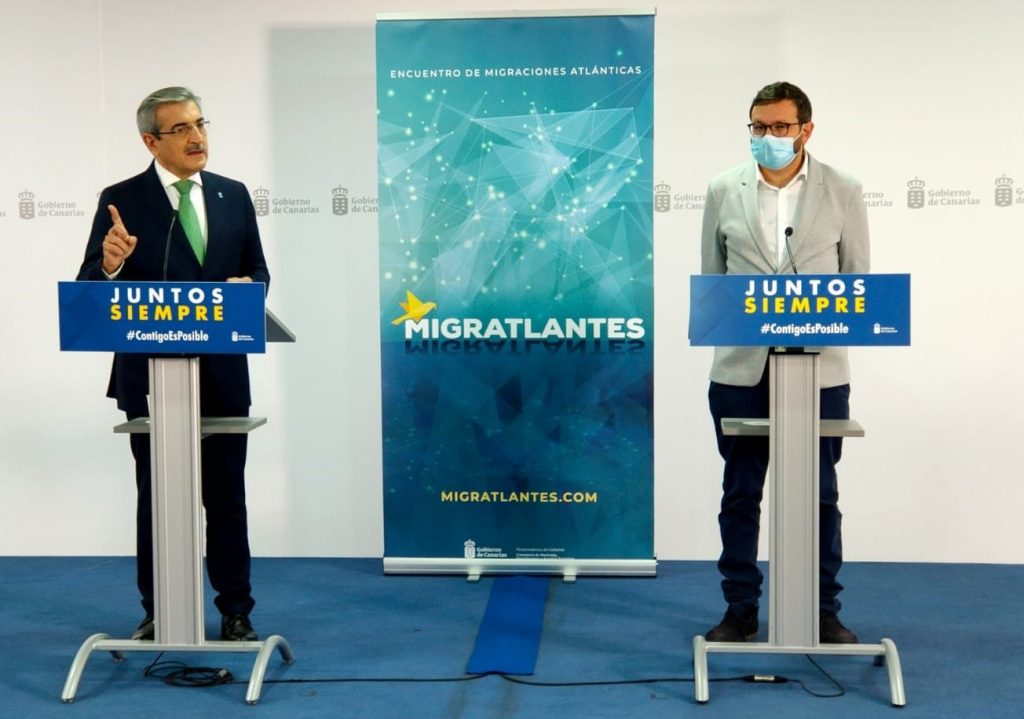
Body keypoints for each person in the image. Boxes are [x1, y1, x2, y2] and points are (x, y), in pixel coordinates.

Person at [77, 87, 269, 642]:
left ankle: (235, 610)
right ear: (150, 141)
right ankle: (159, 609)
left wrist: (248, 288)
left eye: (200, 124)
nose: (196, 137)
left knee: (226, 498)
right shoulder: (121, 199)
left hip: (222, 372)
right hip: (151, 377)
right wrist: (110, 265)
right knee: (157, 499)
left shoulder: (233, 194)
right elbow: (91, 286)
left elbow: (258, 271)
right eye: (181, 128)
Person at [699, 81, 869, 643]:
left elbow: (858, 284)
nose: (767, 136)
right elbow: (713, 280)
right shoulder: (723, 189)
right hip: (742, 369)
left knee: (820, 495)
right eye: (758, 127)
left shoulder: (843, 190)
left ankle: (822, 610)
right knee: (740, 492)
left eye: (779, 127)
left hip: (818, 372)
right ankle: (740, 609)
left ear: (805, 130)